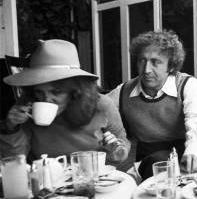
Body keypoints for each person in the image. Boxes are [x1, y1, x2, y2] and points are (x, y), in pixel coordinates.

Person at [0, 39, 129, 162]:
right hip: (46, 181)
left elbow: (122, 147)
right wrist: (10, 128)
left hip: (91, 179)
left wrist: (115, 150)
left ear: (75, 91)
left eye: (56, 92)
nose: (46, 100)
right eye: (39, 91)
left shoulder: (101, 105)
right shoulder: (28, 106)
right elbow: (15, 160)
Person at [108, 30, 197, 176]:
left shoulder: (187, 85)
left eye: (155, 62)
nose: (146, 70)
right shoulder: (123, 91)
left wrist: (193, 152)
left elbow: (196, 122)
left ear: (171, 66)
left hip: (185, 163)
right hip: (146, 166)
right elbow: (97, 108)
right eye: (142, 60)